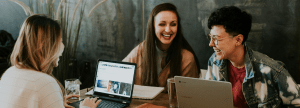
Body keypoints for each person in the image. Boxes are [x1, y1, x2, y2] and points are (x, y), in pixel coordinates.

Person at [203, 6, 300, 107]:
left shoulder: (271, 70)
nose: (211, 44)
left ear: (238, 40)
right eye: (210, 37)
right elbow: (207, 99)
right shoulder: (214, 61)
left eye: (216, 39)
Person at [0, 15, 101, 108]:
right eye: (60, 41)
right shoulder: (45, 83)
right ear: (43, 46)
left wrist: (55, 101)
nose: (63, 46)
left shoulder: (9, 73)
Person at [123, 3, 200, 89]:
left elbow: (188, 97)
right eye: (162, 24)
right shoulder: (141, 49)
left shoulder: (187, 58)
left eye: (173, 24)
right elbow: (119, 74)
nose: (168, 30)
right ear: (153, 26)